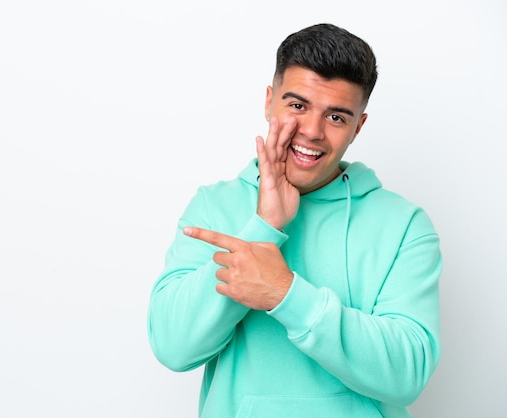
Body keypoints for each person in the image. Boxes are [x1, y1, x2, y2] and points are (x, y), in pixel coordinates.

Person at [147, 23, 441, 418]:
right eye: (297, 106)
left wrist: (285, 294)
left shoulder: (404, 225)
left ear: (359, 126)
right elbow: (173, 347)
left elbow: (408, 376)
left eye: (336, 117)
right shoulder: (214, 205)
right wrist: (264, 229)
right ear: (269, 102)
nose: (313, 132)